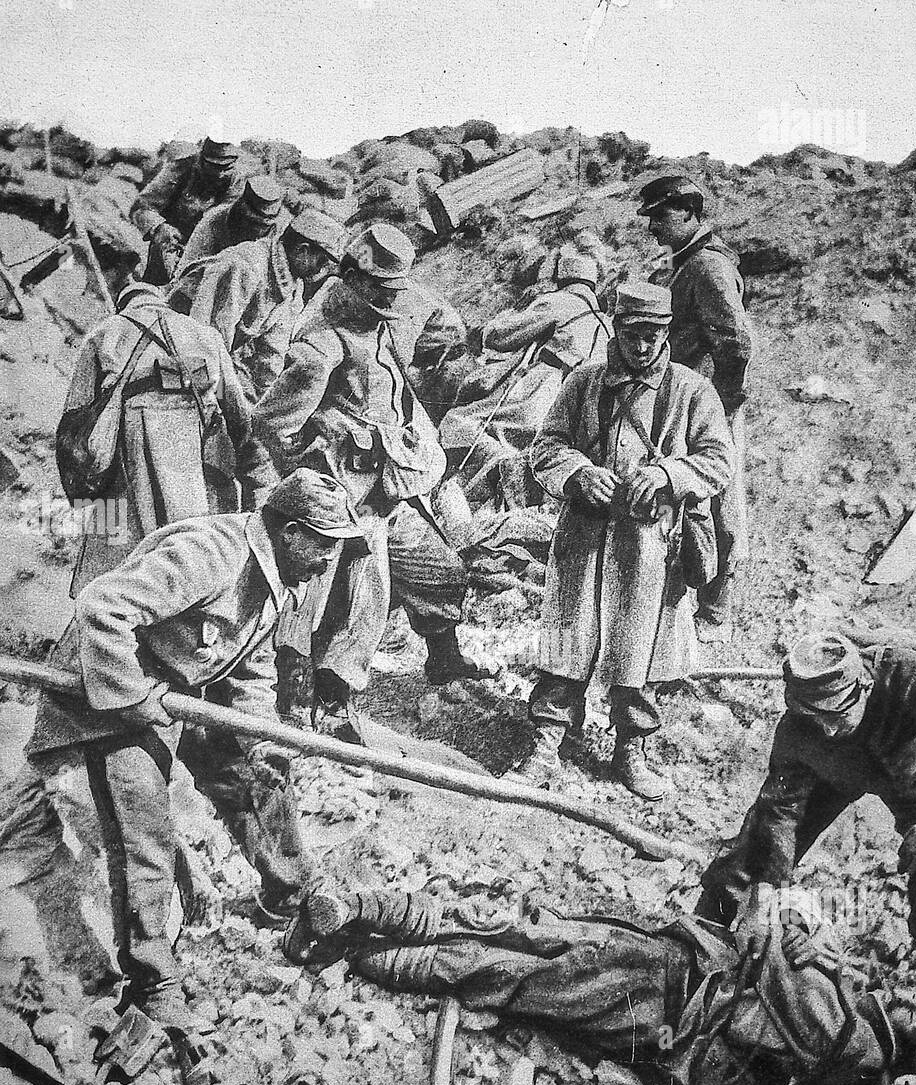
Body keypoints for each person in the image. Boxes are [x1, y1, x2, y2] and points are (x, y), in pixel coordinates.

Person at [20, 470, 354, 1029]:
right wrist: (133, 699)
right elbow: (103, 607)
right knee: (143, 828)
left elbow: (248, 667)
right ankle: (154, 980)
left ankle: (293, 899)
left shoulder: (279, 574)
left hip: (181, 693)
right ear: (293, 532)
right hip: (103, 698)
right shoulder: (210, 554)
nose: (327, 563)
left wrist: (259, 736)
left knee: (259, 773)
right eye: (324, 546)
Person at [280, 878, 916, 1085]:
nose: (907, 1002)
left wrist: (792, 933)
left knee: (516, 970)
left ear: (905, 1041)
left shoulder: (851, 1037)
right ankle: (365, 917)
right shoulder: (855, 1011)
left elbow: (774, 956)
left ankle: (363, 945)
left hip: (667, 1003)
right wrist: (797, 931)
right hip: (677, 963)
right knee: (531, 942)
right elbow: (782, 939)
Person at [253, 224, 485, 737]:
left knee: (437, 570)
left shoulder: (375, 322)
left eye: (395, 289)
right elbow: (271, 423)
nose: (391, 298)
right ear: (354, 279)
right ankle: (320, 702)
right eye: (382, 287)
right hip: (343, 498)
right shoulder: (321, 346)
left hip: (391, 488)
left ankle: (443, 658)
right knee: (345, 598)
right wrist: (322, 470)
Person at [696, 632, 916, 1032]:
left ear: (864, 688)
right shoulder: (801, 732)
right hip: (836, 772)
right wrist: (766, 894)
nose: (827, 729)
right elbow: (779, 814)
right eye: (815, 719)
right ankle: (700, 937)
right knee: (753, 850)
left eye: (836, 715)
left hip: (911, 768)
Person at [512, 282, 733, 800]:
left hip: (652, 543)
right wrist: (576, 473)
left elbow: (719, 460)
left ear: (667, 334)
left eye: (653, 335)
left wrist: (670, 475)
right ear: (616, 328)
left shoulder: (693, 391)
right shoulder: (584, 382)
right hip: (584, 535)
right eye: (633, 334)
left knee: (643, 646)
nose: (642, 347)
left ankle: (632, 747)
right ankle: (547, 741)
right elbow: (545, 447)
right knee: (569, 636)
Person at [55, 279, 259, 596]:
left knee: (118, 539)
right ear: (162, 300)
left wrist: (81, 486)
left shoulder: (106, 331)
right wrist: (248, 459)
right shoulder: (204, 334)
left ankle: (104, 604)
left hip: (129, 439)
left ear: (124, 305)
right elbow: (235, 406)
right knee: (190, 539)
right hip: (192, 443)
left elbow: (76, 411)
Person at [640, 175, 754, 641]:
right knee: (690, 497)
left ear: (689, 212)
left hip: (709, 401)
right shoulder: (686, 264)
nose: (653, 227)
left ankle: (716, 610)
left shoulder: (708, 268)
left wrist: (719, 408)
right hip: (688, 398)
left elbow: (736, 343)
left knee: (719, 501)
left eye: (661, 216)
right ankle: (693, 594)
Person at [439, 250, 613, 507]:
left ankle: (470, 483)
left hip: (544, 388)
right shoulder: (607, 323)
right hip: (584, 402)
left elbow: (503, 336)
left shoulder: (560, 302)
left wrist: (490, 329)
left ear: (562, 280)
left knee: (460, 421)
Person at [166, 206, 347, 403]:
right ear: (302, 250)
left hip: (216, 362)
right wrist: (223, 404)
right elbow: (204, 341)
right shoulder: (245, 266)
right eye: (322, 261)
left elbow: (270, 357)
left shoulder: (293, 289)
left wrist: (258, 403)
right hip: (175, 350)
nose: (323, 270)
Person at [131, 136, 244, 285]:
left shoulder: (238, 181)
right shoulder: (183, 168)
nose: (220, 174)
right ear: (202, 160)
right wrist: (159, 227)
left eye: (226, 167)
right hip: (172, 246)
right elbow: (142, 206)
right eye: (214, 166)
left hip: (209, 254)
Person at [178, 176, 285, 267]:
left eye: (263, 225)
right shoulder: (215, 220)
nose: (257, 229)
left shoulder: (281, 231)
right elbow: (190, 263)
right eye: (252, 222)